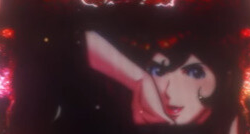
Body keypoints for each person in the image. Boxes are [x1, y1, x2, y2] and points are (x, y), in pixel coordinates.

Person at [85, 30, 223, 126]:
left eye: (194, 73)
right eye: (157, 71)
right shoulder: (144, 88)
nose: (170, 92)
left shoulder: (225, 122)